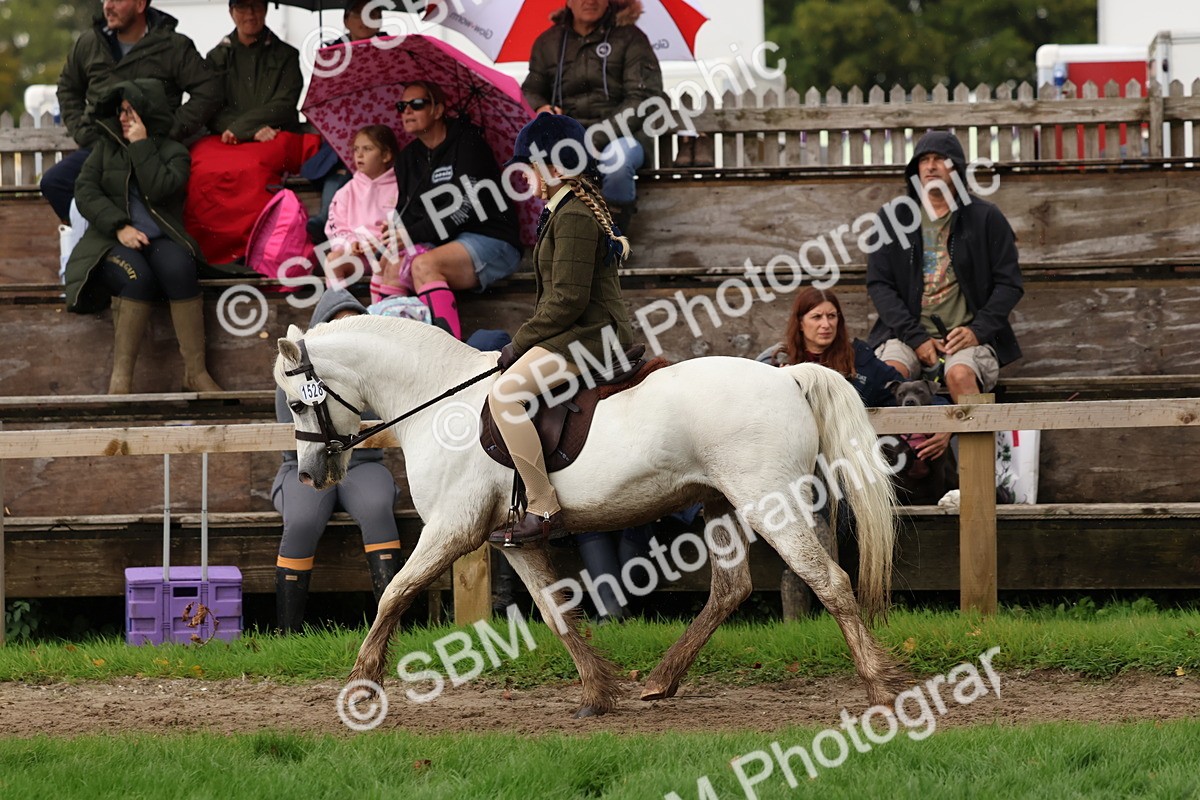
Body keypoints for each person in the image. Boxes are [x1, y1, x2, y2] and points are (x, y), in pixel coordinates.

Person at [487, 113, 634, 546]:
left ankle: (543, 505)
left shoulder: (572, 217)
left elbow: (567, 299)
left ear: (554, 166)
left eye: (530, 164)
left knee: (506, 395)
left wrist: (521, 341)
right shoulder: (563, 210)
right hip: (577, 332)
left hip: (593, 338)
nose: (525, 174)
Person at [63, 80, 221, 394]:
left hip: (160, 238)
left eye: (130, 110)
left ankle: (195, 374)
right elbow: (85, 191)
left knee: (181, 269)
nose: (122, 117)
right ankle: (120, 382)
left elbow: (162, 188)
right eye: (120, 111)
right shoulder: (106, 148)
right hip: (109, 241)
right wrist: (119, 226)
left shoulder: (175, 152)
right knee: (138, 278)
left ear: (147, 112)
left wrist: (141, 146)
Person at [866, 130, 1024, 435]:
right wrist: (916, 338)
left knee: (960, 375)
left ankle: (980, 475)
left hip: (965, 336)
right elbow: (879, 284)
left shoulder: (986, 217)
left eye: (940, 158)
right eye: (923, 160)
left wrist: (978, 330)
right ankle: (888, 473)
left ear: (957, 168)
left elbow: (1010, 283)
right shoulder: (892, 218)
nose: (930, 166)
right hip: (907, 334)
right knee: (887, 379)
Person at [273, 288, 405, 633]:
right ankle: (288, 634)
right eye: (337, 326)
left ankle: (390, 627)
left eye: (353, 325)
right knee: (301, 519)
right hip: (304, 462)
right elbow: (295, 424)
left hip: (364, 462)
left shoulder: (378, 367)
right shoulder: (296, 368)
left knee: (377, 507)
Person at [43, 0, 220, 223]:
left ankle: (142, 240)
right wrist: (83, 132)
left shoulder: (172, 46)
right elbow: (68, 88)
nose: (108, 6)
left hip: (152, 153)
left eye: (117, 0)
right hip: (102, 149)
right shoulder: (89, 42)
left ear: (139, 5)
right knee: (54, 183)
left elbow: (208, 90)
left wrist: (169, 130)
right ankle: (104, 238)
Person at [382, 81, 523, 338]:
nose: (407, 112)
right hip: (446, 243)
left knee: (423, 265)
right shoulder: (407, 158)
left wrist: (409, 236)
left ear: (438, 110)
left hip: (492, 238)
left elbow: (463, 209)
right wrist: (394, 234)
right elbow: (408, 213)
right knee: (391, 267)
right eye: (402, 106)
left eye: (416, 104)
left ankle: (448, 354)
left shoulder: (470, 144)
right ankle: (394, 350)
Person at [522, 0, 664, 234]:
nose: (590, 1)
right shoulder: (548, 43)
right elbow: (531, 89)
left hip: (621, 136)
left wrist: (593, 140)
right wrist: (541, 108)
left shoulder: (631, 38)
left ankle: (614, 240)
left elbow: (642, 99)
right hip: (568, 139)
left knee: (617, 162)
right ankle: (558, 241)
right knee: (543, 172)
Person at [302, 0, 387, 244]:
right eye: (358, 14)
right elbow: (322, 98)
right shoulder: (331, 52)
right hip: (341, 132)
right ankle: (328, 220)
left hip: (381, 128)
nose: (364, 20)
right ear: (345, 20)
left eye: (372, 14)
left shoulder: (392, 47)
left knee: (371, 152)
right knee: (343, 160)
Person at [758, 287, 904, 409]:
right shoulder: (775, 361)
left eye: (831, 316)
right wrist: (780, 385)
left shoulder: (859, 356)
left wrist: (926, 428)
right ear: (800, 323)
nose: (826, 324)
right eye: (817, 317)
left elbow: (906, 390)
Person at [206, 0, 303, 145]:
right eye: (242, 6)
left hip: (274, 136)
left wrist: (242, 127)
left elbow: (285, 104)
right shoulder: (217, 57)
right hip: (229, 138)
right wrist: (248, 130)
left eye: (256, 5)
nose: (250, 13)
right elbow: (210, 105)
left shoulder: (287, 55)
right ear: (231, 12)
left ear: (265, 9)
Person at [324, 125, 401, 296]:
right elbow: (335, 227)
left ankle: (379, 313)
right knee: (332, 261)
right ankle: (342, 313)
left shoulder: (400, 188)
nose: (359, 155)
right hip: (357, 257)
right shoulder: (346, 191)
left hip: (387, 256)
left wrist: (380, 244)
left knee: (386, 263)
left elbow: (402, 226)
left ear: (386, 155)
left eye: (367, 149)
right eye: (356, 149)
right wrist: (352, 243)